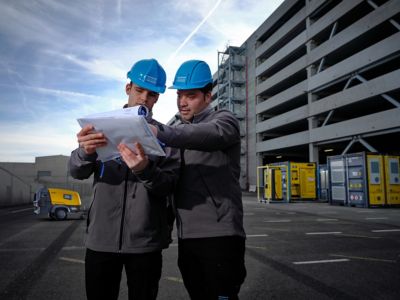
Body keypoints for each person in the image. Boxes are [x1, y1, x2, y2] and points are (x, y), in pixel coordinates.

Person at [68, 58, 179, 300]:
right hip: (101, 240)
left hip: (145, 243)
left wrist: (145, 169)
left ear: (157, 98)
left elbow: (170, 186)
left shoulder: (167, 136)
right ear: (128, 88)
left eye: (151, 94)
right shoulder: (99, 127)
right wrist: (84, 153)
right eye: (139, 90)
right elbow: (76, 172)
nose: (144, 99)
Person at [152, 60, 247, 300]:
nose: (182, 102)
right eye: (180, 95)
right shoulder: (178, 133)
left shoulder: (225, 120)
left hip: (221, 235)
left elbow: (209, 134)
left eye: (191, 96)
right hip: (187, 238)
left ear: (208, 96)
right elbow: (169, 184)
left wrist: (162, 132)